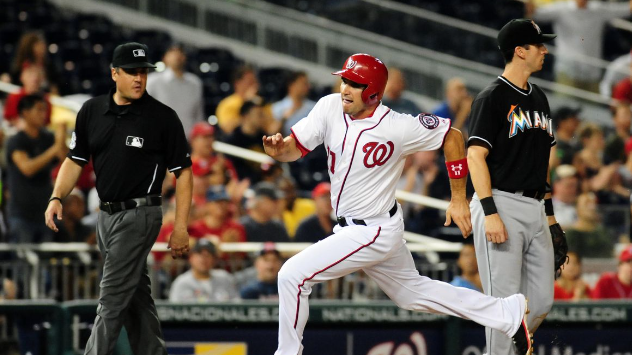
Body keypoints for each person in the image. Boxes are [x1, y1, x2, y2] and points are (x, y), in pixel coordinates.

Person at [262, 53, 532, 355]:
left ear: (374, 92)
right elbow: (293, 150)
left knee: (292, 275)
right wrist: (278, 150)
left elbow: (453, 137)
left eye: (355, 84)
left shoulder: (397, 126)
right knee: (411, 293)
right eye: (345, 80)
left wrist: (459, 198)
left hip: (372, 230)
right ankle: (506, 313)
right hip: (363, 228)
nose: (346, 88)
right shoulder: (328, 107)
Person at [44, 42, 192, 355]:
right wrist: (56, 196)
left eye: (143, 72)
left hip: (140, 214)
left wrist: (180, 226)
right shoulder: (92, 110)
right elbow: (75, 160)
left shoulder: (161, 118)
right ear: (114, 73)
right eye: (131, 72)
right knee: (136, 297)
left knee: (111, 298)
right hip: (105, 216)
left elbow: (184, 172)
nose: (139, 78)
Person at [467, 19, 558, 355]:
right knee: (504, 306)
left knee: (542, 300)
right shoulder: (491, 97)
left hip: (534, 208)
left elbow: (542, 162)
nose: (545, 50)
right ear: (520, 51)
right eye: (538, 45)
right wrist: (489, 212)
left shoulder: (541, 98)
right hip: (500, 203)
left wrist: (549, 215)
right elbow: (475, 156)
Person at [526, 0, 632, 92]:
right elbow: (534, 13)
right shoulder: (561, 9)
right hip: (567, 72)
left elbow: (627, 9)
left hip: (592, 73)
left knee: (594, 112)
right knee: (564, 111)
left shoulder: (598, 9)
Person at [6, 94, 66, 243]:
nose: (43, 114)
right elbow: (27, 168)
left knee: (46, 262)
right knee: (22, 263)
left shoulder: (48, 138)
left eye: (44, 110)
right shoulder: (16, 141)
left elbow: (65, 160)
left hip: (45, 213)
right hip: (21, 215)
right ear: (25, 113)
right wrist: (54, 149)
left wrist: (61, 137)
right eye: (39, 110)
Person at [146, 44, 205, 138]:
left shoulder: (195, 83)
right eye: (172, 52)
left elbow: (198, 115)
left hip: (186, 140)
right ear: (164, 57)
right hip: (158, 139)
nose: (177, 55)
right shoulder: (152, 81)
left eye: (180, 52)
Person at [169, 239, 238, 302]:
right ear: (191, 258)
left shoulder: (225, 279)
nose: (203, 259)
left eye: (208, 255)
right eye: (199, 254)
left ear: (214, 259)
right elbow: (174, 310)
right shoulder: (182, 283)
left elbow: (237, 305)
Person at [216, 65, 261, 135]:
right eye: (250, 82)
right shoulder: (227, 104)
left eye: (255, 82)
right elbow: (227, 128)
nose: (254, 86)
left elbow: (271, 129)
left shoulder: (259, 102)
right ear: (237, 83)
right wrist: (247, 104)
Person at [271, 71, 316, 136]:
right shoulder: (277, 108)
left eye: (308, 84)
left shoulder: (314, 107)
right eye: (304, 84)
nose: (308, 87)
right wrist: (284, 118)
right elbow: (272, 132)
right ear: (291, 85)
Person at [551, 165, 579, 229]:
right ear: (556, 185)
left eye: (575, 186)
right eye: (569, 186)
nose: (573, 190)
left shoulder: (580, 206)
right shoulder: (544, 207)